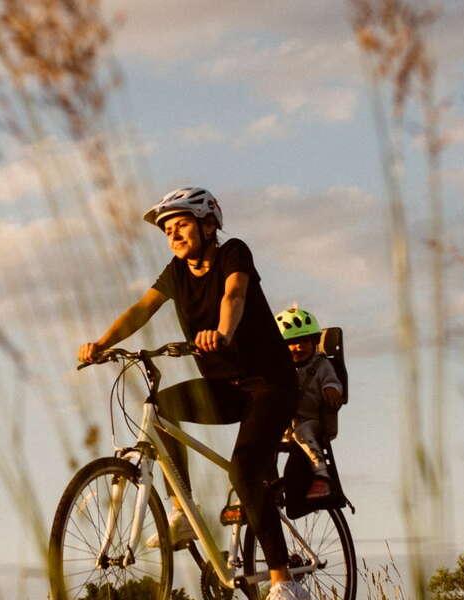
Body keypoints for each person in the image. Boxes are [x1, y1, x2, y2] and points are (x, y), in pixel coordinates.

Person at [78, 187, 310, 600]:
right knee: (160, 408)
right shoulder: (176, 272)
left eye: (181, 225)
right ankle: (181, 511)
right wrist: (102, 343)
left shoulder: (232, 253)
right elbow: (141, 309)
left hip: (270, 385)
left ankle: (283, 581)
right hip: (226, 389)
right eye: (167, 230)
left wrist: (223, 332)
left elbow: (234, 295)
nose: (174, 236)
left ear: (208, 225)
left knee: (243, 471)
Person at [274, 305, 345, 500]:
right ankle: (267, 484)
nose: (299, 347)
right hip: (286, 424)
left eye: (304, 341)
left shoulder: (321, 364)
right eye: (292, 343)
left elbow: (332, 381)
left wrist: (331, 389)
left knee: (302, 432)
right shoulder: (281, 368)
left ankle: (322, 476)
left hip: (313, 421)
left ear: (314, 342)